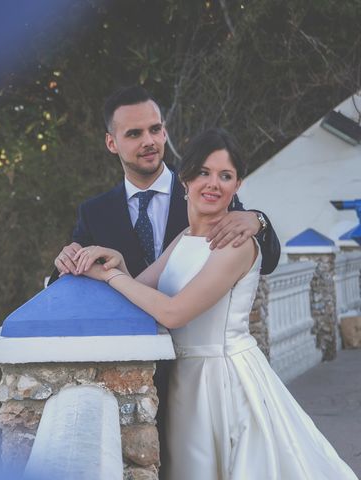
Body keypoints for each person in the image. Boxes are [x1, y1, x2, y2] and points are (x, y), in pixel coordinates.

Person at [72, 128, 357, 479]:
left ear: (237, 186)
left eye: (226, 176)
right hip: (185, 380)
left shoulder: (237, 244)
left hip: (223, 380)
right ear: (185, 180)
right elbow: (138, 290)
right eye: (204, 172)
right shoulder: (184, 238)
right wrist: (112, 261)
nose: (213, 184)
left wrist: (111, 276)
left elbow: (174, 312)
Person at [49, 85, 281, 467]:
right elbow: (83, 280)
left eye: (155, 129)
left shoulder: (211, 195)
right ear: (112, 142)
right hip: (145, 380)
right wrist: (69, 261)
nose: (149, 141)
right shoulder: (96, 213)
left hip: (215, 380)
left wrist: (259, 219)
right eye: (134, 133)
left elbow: (264, 257)